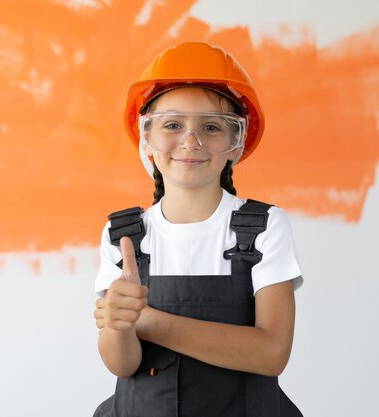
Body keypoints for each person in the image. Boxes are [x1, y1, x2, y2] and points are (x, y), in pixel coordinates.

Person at [92, 42, 304, 417]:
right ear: (147, 139)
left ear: (236, 143)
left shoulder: (264, 227)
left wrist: (150, 321)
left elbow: (271, 354)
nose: (190, 141)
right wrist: (121, 326)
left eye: (211, 127)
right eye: (172, 125)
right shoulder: (122, 234)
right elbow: (121, 365)